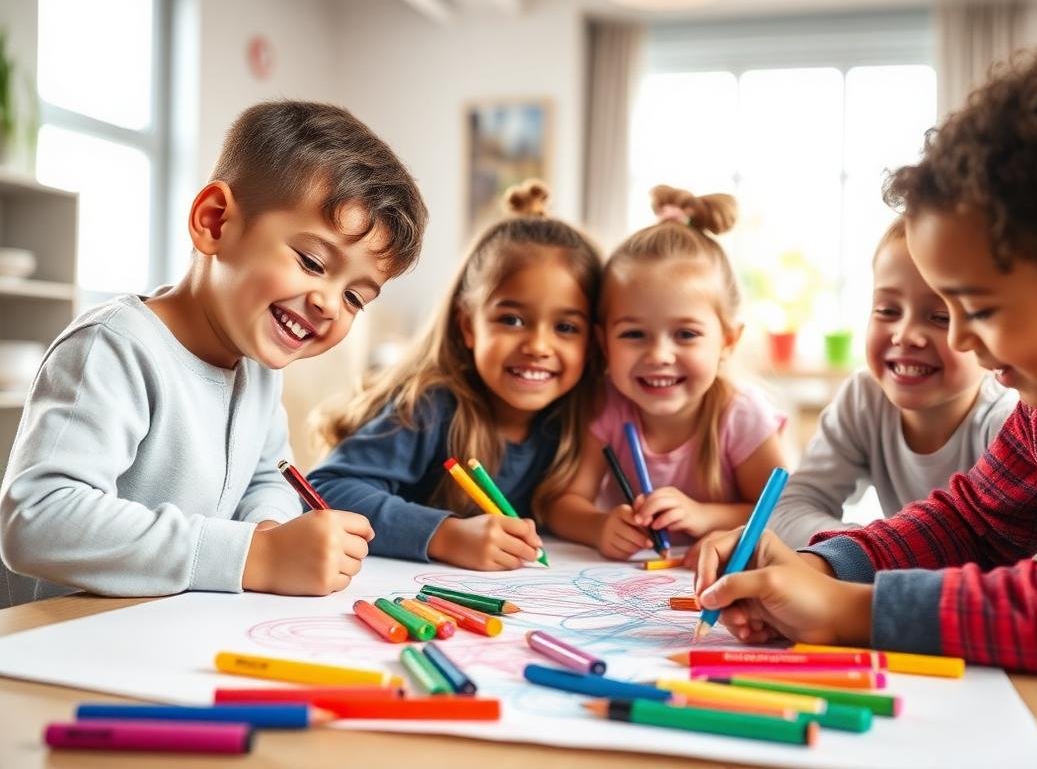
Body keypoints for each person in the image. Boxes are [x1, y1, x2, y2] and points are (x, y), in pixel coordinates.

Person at [694, 41, 1037, 732]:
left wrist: (850, 612)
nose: (960, 340)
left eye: (979, 309)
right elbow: (973, 522)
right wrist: (824, 569)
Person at [0, 101, 428, 605]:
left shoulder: (259, 370)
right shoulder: (115, 346)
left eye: (355, 297)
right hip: (61, 637)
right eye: (312, 262)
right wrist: (255, 556)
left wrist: (271, 529)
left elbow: (268, 477)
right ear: (215, 221)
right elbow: (38, 519)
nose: (330, 305)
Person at [310, 180, 604, 570]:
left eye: (566, 327)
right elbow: (325, 491)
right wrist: (445, 535)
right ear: (468, 326)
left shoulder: (581, 423)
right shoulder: (430, 407)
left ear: (594, 342)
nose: (538, 346)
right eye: (512, 320)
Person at [547, 185, 787, 559]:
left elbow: (783, 512)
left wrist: (703, 516)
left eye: (686, 334)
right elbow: (561, 504)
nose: (659, 355)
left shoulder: (741, 415)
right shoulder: (607, 406)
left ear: (727, 341)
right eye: (634, 334)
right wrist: (599, 526)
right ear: (603, 342)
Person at [768, 217, 1016, 547]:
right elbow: (788, 511)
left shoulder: (1007, 424)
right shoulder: (864, 398)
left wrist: (880, 550)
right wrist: (868, 547)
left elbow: (1014, 555)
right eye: (887, 311)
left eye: (941, 317)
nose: (905, 335)